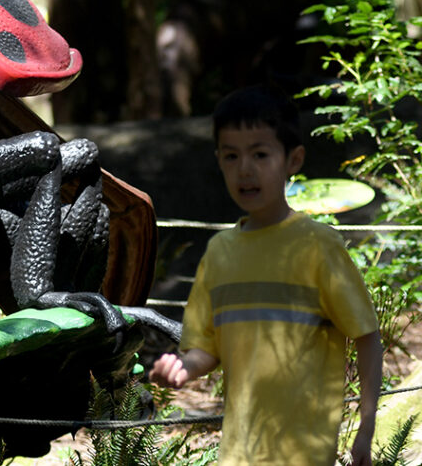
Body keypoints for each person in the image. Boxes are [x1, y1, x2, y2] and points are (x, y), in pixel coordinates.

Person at [150, 84, 382, 465]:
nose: (245, 169)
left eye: (260, 154)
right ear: (219, 161)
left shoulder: (317, 246)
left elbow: (368, 337)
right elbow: (205, 349)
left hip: (304, 454)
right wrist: (180, 370)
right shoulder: (220, 252)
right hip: (237, 454)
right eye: (231, 156)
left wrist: (366, 427)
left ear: (293, 160)